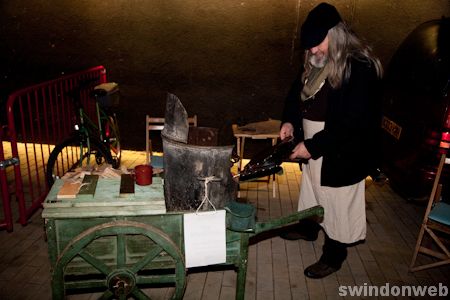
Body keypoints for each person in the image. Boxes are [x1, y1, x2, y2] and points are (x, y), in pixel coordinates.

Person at [279, 2, 383, 279]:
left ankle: (334, 254)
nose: (313, 50)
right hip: (317, 139)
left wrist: (312, 146)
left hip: (342, 148)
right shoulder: (315, 60)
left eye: (318, 43)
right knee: (312, 189)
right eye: (309, 45)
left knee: (337, 200)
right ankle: (309, 227)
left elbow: (351, 122)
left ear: (335, 34)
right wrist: (289, 121)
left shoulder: (359, 66)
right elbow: (295, 94)